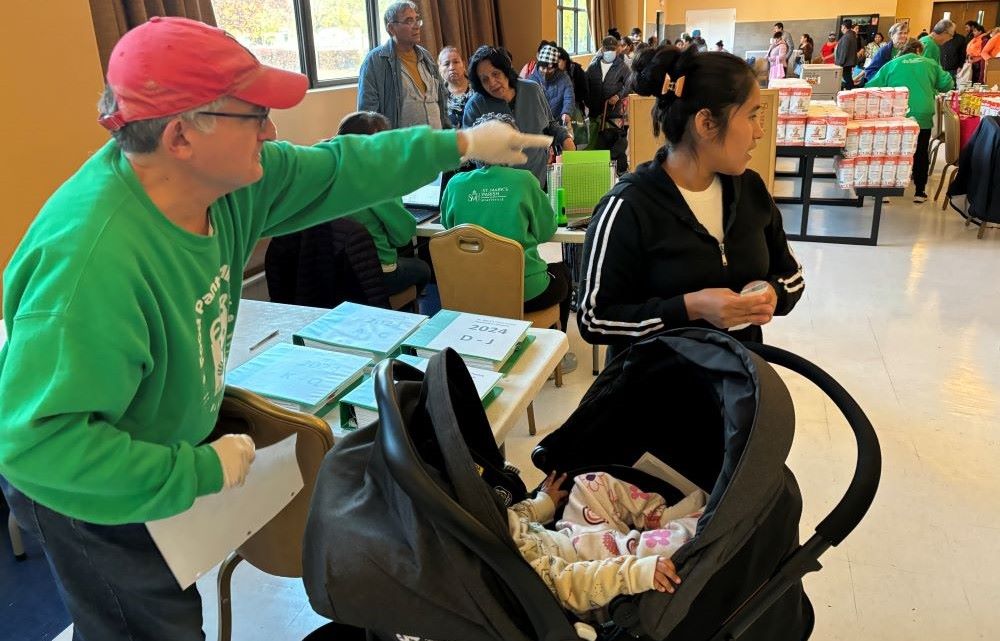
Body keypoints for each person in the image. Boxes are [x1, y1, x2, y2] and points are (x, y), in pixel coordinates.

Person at [0, 16, 552, 641]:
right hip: (89, 493)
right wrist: (199, 471)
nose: (271, 130)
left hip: (153, 446)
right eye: (254, 116)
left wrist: (458, 146)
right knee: (154, 628)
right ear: (181, 136)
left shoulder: (223, 188)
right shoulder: (92, 264)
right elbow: (39, 446)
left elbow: (343, 166)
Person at [576, 45, 804, 363]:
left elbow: (791, 274)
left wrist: (772, 294)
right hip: (654, 392)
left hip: (736, 384)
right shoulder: (627, 207)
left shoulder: (751, 189)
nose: (759, 132)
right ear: (706, 123)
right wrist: (691, 306)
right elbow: (593, 319)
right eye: (752, 116)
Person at [441, 112, 573, 343]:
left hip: (469, 291)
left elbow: (448, 228)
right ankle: (555, 350)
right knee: (563, 272)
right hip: (524, 291)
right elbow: (546, 231)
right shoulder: (524, 181)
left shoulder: (454, 184)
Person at [509, 471, 702, 615]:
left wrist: (544, 502)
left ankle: (654, 517)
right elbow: (569, 585)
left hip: (570, 534)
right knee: (654, 553)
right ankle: (698, 522)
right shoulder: (511, 568)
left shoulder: (490, 521)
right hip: (591, 571)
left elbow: (514, 517)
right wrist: (634, 572)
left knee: (590, 484)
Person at [337, 111, 432, 297]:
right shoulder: (379, 180)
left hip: (335, 272)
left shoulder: (331, 172)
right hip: (376, 273)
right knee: (422, 269)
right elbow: (403, 236)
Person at [463, 46, 575, 187]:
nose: (491, 83)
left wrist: (565, 138)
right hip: (499, 187)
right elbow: (471, 151)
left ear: (506, 71)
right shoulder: (475, 106)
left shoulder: (532, 90)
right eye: (484, 79)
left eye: (496, 74)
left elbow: (549, 124)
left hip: (537, 180)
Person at [867, 38, 954, 204]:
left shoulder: (892, 64)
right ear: (919, 50)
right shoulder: (930, 64)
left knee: (892, 151)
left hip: (897, 114)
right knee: (920, 152)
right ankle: (919, 192)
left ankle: (885, 191)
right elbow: (947, 84)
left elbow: (872, 86)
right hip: (922, 114)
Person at [358, 1, 449, 129]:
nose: (416, 26)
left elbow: (442, 97)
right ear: (391, 28)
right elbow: (367, 114)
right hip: (400, 146)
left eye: (417, 19)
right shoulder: (375, 61)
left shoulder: (426, 57)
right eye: (409, 21)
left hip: (435, 142)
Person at [585, 36, 631, 125]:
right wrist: (588, 102)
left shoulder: (623, 67)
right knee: (594, 137)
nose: (610, 51)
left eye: (612, 49)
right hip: (594, 112)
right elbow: (585, 85)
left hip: (612, 113)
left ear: (617, 49)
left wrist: (618, 96)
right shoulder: (593, 67)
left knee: (611, 136)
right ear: (602, 49)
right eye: (607, 49)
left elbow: (629, 85)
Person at [529, 43, 576, 126]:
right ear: (538, 65)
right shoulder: (532, 79)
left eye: (550, 68)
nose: (546, 71)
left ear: (555, 67)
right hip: (537, 122)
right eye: (543, 68)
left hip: (558, 121)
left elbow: (569, 98)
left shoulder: (564, 78)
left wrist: (566, 112)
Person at [438, 46, 472, 128]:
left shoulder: (477, 87)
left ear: (463, 65)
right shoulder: (437, 94)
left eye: (456, 62)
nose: (452, 67)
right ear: (439, 69)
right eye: (446, 64)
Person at [557, 46, 590, 118]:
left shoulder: (576, 70)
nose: (555, 65)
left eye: (558, 62)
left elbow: (584, 91)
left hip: (575, 105)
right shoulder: (554, 73)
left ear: (565, 60)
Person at [835, 19, 859, 89]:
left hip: (845, 62)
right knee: (848, 78)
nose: (841, 28)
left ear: (844, 27)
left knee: (847, 78)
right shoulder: (852, 35)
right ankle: (850, 90)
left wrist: (840, 62)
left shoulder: (846, 37)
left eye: (841, 26)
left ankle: (850, 92)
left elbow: (844, 51)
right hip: (849, 61)